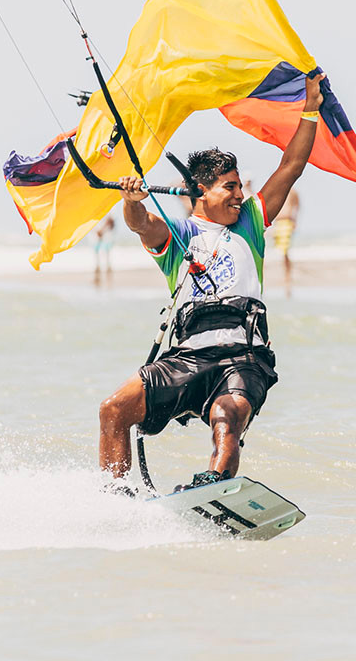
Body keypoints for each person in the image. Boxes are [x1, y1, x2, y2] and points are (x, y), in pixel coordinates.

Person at [98, 72, 325, 493]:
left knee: (228, 413)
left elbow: (292, 165)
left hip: (243, 355)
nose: (241, 194)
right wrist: (131, 200)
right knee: (114, 409)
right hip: (188, 356)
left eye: (240, 186)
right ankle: (116, 501)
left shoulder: (252, 224)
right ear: (201, 190)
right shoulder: (179, 234)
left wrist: (310, 106)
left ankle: (213, 487)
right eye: (231, 187)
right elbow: (141, 224)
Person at [271, 188, 300, 297]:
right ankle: (283, 273)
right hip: (277, 222)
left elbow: (297, 206)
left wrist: (294, 220)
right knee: (278, 250)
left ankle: (287, 276)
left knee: (284, 251)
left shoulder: (293, 192)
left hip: (287, 222)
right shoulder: (279, 190)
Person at [91, 213, 115, 286]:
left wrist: (101, 230)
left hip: (105, 232)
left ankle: (108, 280)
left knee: (106, 255)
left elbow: (110, 220)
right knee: (98, 255)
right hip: (98, 232)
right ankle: (99, 278)